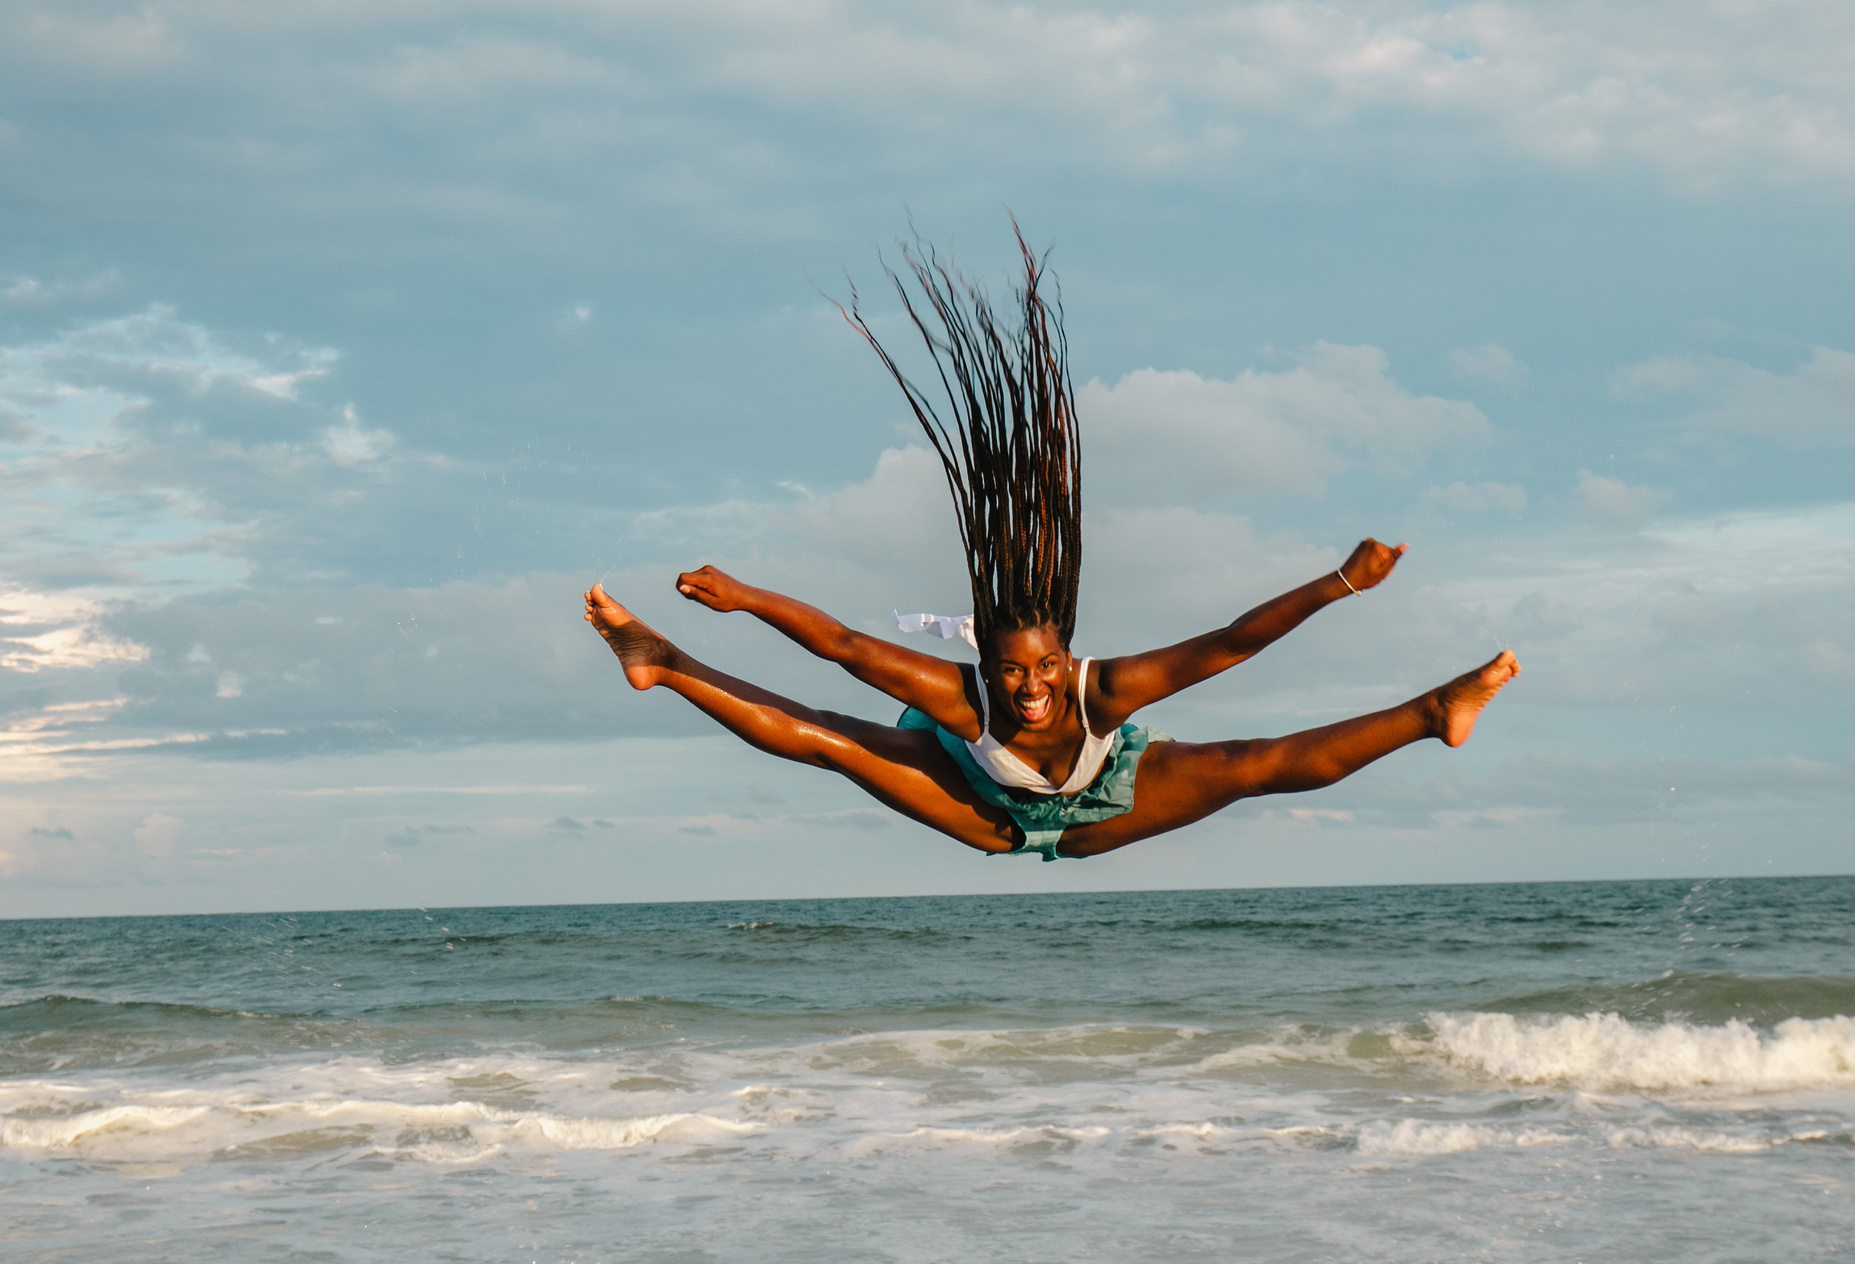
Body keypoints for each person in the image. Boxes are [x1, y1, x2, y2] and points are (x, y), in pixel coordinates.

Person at [582, 224, 1518, 859]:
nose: (1026, 690)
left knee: (1248, 767)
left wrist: (1340, 583)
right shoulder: (963, 697)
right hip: (984, 815)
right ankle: (662, 660)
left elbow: (1232, 643)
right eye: (1009, 674)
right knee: (832, 740)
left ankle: (1432, 710)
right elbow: (844, 648)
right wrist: (747, 597)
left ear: (1062, 656)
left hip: (1097, 812)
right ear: (985, 668)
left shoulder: (1101, 690)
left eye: (1038, 670)